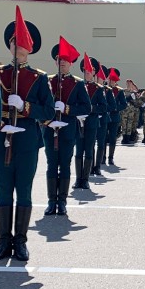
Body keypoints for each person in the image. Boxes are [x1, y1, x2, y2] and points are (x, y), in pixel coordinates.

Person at [0, 18, 54, 263]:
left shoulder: (39, 78)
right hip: (2, 137)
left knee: (24, 190)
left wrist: (25, 106)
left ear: (31, 48)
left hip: (27, 139)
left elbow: (48, 111)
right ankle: (3, 240)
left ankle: (21, 241)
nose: (18, 48)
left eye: (23, 44)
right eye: (14, 43)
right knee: (4, 191)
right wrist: (0, 124)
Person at [43, 42, 91, 216]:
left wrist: (67, 109)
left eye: (65, 60)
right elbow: (40, 105)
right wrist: (46, 121)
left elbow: (86, 107)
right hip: (50, 129)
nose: (61, 62)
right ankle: (51, 201)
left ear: (70, 63)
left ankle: (62, 201)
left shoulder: (77, 84)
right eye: (59, 59)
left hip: (68, 130)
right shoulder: (47, 80)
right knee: (51, 165)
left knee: (64, 165)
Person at [74, 56, 106, 189]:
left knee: (88, 150)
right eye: (85, 70)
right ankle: (78, 179)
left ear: (94, 72)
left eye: (90, 70)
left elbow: (104, 107)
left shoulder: (98, 88)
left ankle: (85, 179)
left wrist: (91, 108)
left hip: (92, 122)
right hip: (79, 122)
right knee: (78, 151)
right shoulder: (77, 85)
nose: (87, 72)